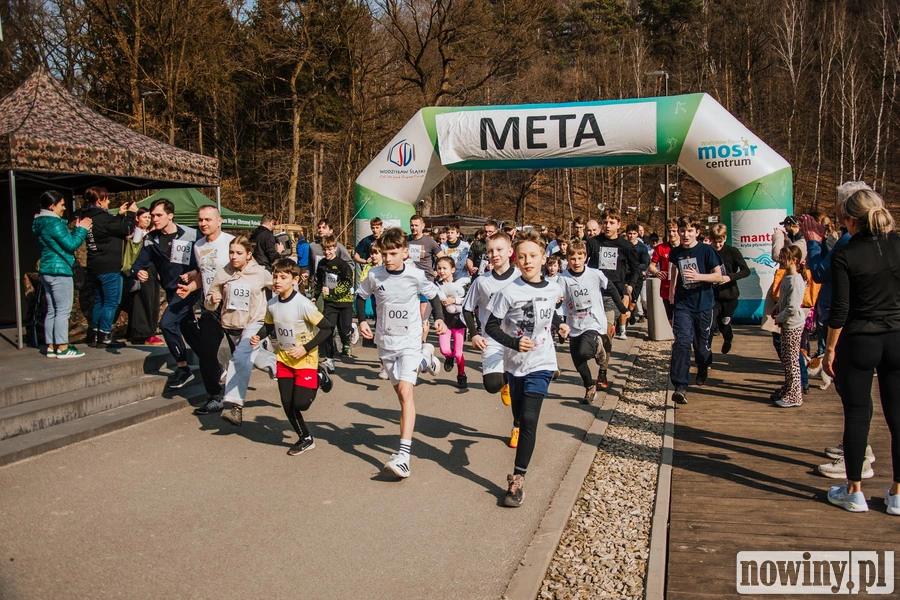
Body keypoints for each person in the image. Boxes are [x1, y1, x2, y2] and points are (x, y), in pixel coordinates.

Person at [820, 188, 899, 514]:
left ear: (851, 221)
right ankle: (897, 492)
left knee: (857, 415)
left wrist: (830, 350)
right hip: (897, 338)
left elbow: (840, 310)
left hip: (860, 340)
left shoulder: (846, 253)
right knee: (898, 417)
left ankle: (854, 491)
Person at [484, 230, 568, 507]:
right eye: (522, 257)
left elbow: (548, 310)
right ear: (515, 260)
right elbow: (491, 326)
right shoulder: (507, 292)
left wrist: (559, 325)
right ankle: (516, 421)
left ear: (544, 258)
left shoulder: (555, 288)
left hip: (542, 362)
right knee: (520, 415)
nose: (527, 261)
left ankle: (517, 479)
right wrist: (513, 342)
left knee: (530, 419)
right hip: (514, 364)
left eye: (533, 256)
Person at [355, 227, 447, 479]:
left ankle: (404, 457)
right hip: (385, 343)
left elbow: (434, 296)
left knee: (407, 393)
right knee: (400, 394)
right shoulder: (374, 275)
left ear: (405, 253)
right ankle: (426, 358)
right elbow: (361, 296)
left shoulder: (416, 276)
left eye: (393, 253)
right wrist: (363, 321)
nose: (388, 258)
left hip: (409, 340)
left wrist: (439, 318)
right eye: (385, 253)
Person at [252, 258, 334, 455]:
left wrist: (305, 348)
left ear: (295, 279)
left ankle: (319, 376)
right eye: (275, 276)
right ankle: (305, 438)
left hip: (305, 359)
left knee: (301, 404)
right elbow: (270, 325)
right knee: (287, 403)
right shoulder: (272, 304)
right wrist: (259, 335)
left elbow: (326, 329)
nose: (277, 281)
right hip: (284, 359)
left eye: (283, 277)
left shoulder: (303, 304)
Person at [130, 198, 202, 389]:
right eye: (152, 215)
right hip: (171, 290)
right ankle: (213, 365)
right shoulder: (151, 239)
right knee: (190, 331)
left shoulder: (190, 234)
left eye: (159, 215)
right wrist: (139, 272)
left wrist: (195, 272)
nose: (154, 219)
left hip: (188, 290)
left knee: (167, 324)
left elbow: (204, 260)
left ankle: (183, 368)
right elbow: (136, 265)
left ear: (171, 216)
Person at [203, 236, 275, 426]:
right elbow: (211, 298)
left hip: (254, 322)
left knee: (240, 358)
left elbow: (280, 284)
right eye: (231, 252)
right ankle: (296, 370)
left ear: (249, 255)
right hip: (231, 326)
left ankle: (234, 406)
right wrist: (211, 301)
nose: (234, 257)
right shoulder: (223, 273)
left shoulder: (260, 273)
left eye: (238, 253)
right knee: (260, 360)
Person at [561, 239, 629, 402]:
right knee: (577, 360)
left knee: (584, 351)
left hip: (592, 322)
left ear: (585, 257)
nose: (576, 262)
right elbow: (559, 301)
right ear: (568, 259)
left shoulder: (594, 274)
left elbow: (611, 287)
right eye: (572, 259)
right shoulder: (562, 278)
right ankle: (589, 386)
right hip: (574, 323)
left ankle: (598, 347)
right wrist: (560, 324)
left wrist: (622, 308)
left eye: (579, 258)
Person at [463, 231, 521, 421]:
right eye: (490, 251)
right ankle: (505, 382)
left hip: (517, 339)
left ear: (510, 251)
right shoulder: (482, 281)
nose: (494, 254)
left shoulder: (521, 278)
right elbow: (467, 309)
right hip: (492, 338)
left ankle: (517, 425)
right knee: (491, 385)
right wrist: (474, 334)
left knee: (522, 389)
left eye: (499, 250)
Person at [668, 214, 725, 405]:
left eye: (689, 231)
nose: (685, 234)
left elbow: (718, 276)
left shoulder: (707, 251)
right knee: (682, 342)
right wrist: (671, 289)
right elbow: (675, 269)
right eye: (682, 231)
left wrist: (699, 276)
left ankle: (703, 365)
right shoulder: (676, 252)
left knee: (701, 348)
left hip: (703, 305)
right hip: (683, 303)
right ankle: (680, 386)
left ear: (697, 232)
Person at [185, 206, 235, 415]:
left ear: (219, 221)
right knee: (206, 353)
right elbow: (203, 274)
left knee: (245, 355)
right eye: (200, 220)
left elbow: (247, 272)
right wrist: (190, 287)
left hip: (233, 307)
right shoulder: (197, 246)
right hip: (210, 307)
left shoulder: (231, 242)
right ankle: (215, 397)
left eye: (208, 219)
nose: (203, 223)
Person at [32, 191, 92, 358]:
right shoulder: (55, 223)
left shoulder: (41, 222)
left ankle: (51, 345)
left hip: (46, 269)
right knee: (63, 311)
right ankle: (63, 347)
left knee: (52, 310)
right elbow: (71, 245)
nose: (64, 208)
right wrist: (81, 230)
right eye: (62, 205)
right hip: (60, 271)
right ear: (52, 206)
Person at [78, 186, 137, 348]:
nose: (109, 201)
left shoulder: (89, 217)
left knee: (99, 300)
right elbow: (126, 229)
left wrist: (119, 215)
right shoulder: (103, 218)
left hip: (95, 265)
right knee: (111, 301)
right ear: (99, 200)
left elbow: (111, 229)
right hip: (109, 265)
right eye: (107, 198)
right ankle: (104, 335)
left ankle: (95, 333)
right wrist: (131, 214)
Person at [586, 208, 639, 340]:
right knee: (594, 328)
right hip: (594, 292)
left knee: (606, 328)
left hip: (613, 292)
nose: (607, 225)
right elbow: (581, 262)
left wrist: (630, 285)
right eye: (605, 222)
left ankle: (607, 342)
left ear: (619, 224)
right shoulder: (593, 242)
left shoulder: (625, 246)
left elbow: (635, 269)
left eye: (611, 222)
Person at [121, 208, 164, 346]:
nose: (148, 220)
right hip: (141, 270)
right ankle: (143, 334)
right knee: (144, 301)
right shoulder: (137, 234)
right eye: (144, 217)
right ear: (137, 218)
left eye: (148, 217)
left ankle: (137, 332)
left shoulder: (149, 234)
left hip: (150, 270)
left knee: (148, 300)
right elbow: (135, 251)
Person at [771, 245, 807, 408]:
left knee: (792, 360)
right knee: (786, 358)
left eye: (784, 258)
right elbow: (784, 298)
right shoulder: (787, 276)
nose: (781, 260)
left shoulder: (797, 280)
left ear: (795, 260)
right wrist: (777, 306)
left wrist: (779, 317)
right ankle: (788, 388)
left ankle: (795, 395)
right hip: (786, 324)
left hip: (793, 325)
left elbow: (792, 307)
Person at [315, 234, 354, 370]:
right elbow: (319, 282)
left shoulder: (342, 265)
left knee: (343, 330)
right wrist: (315, 296)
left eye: (330, 249)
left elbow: (347, 284)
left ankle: (348, 336)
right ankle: (329, 358)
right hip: (330, 303)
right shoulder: (322, 264)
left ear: (335, 248)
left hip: (344, 303)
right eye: (325, 249)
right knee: (328, 329)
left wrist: (332, 291)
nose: (327, 252)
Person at [710, 223, 749, 354]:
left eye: (720, 242)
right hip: (712, 295)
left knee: (723, 324)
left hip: (729, 295)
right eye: (714, 242)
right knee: (710, 325)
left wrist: (730, 277)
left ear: (725, 238)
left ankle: (728, 338)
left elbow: (746, 271)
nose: (717, 245)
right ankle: (705, 356)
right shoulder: (708, 252)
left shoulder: (732, 252)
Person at [407, 214, 445, 343]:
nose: (414, 228)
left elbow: (442, 257)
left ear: (423, 226)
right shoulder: (406, 241)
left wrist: (439, 271)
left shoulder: (429, 242)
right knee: (412, 314)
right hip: (410, 282)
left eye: (416, 225)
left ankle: (421, 341)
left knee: (423, 314)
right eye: (412, 225)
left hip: (426, 281)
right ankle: (413, 339)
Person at [435, 256, 469, 388]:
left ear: (453, 269)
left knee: (459, 353)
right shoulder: (437, 285)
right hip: (445, 322)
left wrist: (454, 300)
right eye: (439, 268)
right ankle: (449, 357)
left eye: (445, 268)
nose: (441, 271)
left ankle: (461, 375)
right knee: (444, 350)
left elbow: (468, 301)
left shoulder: (461, 284)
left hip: (459, 322)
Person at [649, 220, 680, 321]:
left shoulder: (685, 247)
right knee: (671, 320)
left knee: (682, 319)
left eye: (674, 231)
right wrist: (657, 272)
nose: (672, 234)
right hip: (666, 289)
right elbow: (651, 266)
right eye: (669, 231)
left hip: (683, 289)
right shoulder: (661, 248)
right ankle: (676, 336)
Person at [625, 223, 651, 324]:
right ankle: (623, 322)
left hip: (637, 277)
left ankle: (630, 313)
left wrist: (633, 267)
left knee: (632, 302)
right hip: (625, 276)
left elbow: (645, 264)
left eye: (634, 233)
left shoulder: (642, 248)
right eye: (629, 233)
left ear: (637, 234)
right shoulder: (623, 245)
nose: (631, 236)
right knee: (624, 298)